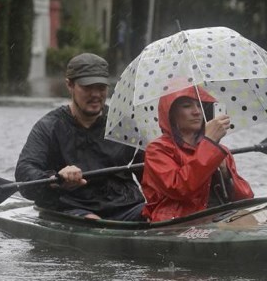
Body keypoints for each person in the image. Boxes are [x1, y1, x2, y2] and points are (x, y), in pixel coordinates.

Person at [14, 53, 145, 220]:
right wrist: (54, 178)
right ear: (70, 85)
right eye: (88, 88)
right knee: (93, 222)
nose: (96, 94)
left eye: (101, 87)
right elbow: (25, 172)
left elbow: (149, 174)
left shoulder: (124, 125)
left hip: (125, 207)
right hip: (72, 208)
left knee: (154, 215)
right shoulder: (48, 127)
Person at [140, 86, 253, 222]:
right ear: (170, 113)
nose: (197, 112)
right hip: (178, 222)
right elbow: (179, 188)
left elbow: (246, 198)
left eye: (200, 106)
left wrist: (225, 173)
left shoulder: (219, 150)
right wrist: (209, 144)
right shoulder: (157, 149)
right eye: (187, 106)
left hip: (221, 218)